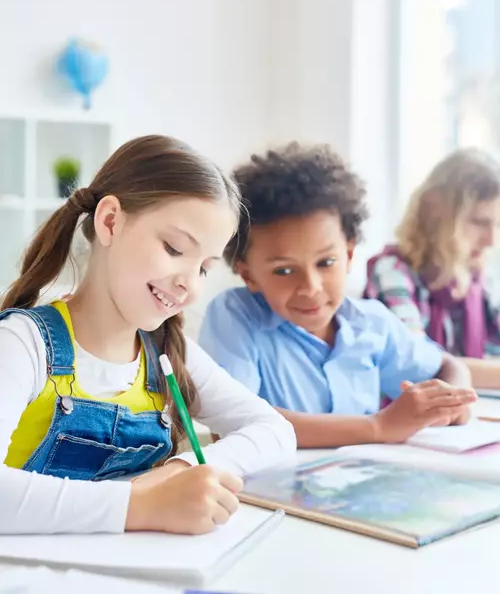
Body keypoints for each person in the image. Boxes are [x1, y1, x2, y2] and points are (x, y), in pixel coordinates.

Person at [0, 135, 295, 535]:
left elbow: (275, 432)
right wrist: (139, 506)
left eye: (204, 268)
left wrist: (180, 471)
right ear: (110, 222)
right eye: (174, 249)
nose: (189, 286)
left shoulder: (171, 354)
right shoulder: (22, 344)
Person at [199, 143, 476, 449]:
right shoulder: (234, 317)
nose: (311, 287)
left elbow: (449, 366)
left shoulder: (371, 323)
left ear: (348, 253)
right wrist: (378, 426)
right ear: (248, 274)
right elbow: (234, 423)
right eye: (284, 271)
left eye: (326, 263)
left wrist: (453, 399)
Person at [365, 148, 500, 389]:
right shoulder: (392, 273)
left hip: (465, 416)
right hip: (404, 418)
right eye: (479, 222)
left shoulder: (477, 279)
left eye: (498, 224)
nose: (491, 239)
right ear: (434, 209)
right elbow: (421, 365)